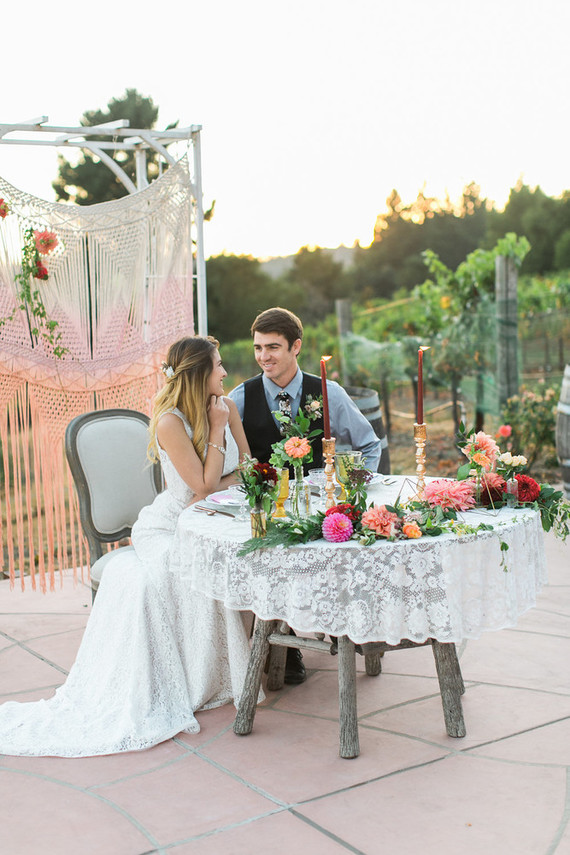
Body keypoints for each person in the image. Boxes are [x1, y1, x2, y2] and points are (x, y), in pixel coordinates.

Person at [0, 335, 259, 757]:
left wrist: (218, 483)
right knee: (186, 571)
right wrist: (215, 434)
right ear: (198, 374)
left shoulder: (226, 406)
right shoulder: (171, 422)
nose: (225, 372)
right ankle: (188, 676)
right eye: (218, 365)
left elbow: (248, 467)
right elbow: (203, 485)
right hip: (171, 526)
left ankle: (238, 662)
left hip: (221, 516)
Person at [229, 307, 382, 683]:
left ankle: (344, 623)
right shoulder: (241, 397)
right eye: (258, 348)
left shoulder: (328, 392)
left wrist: (352, 490)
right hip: (269, 511)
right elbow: (230, 457)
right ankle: (284, 645)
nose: (263, 356)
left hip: (322, 507)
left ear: (296, 346)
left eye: (273, 347)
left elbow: (369, 444)